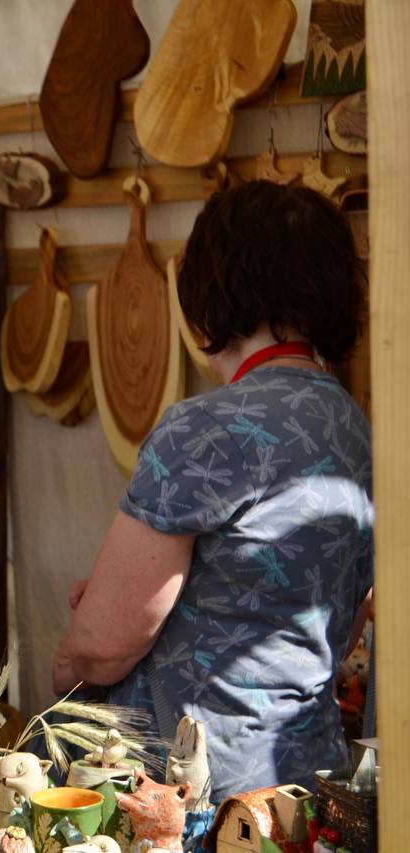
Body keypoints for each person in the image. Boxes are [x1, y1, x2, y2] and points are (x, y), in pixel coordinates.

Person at [52, 181, 373, 802]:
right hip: (310, 779)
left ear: (208, 292)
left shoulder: (203, 429)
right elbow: (343, 617)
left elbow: (104, 648)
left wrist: (71, 661)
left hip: (192, 793)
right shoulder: (356, 427)